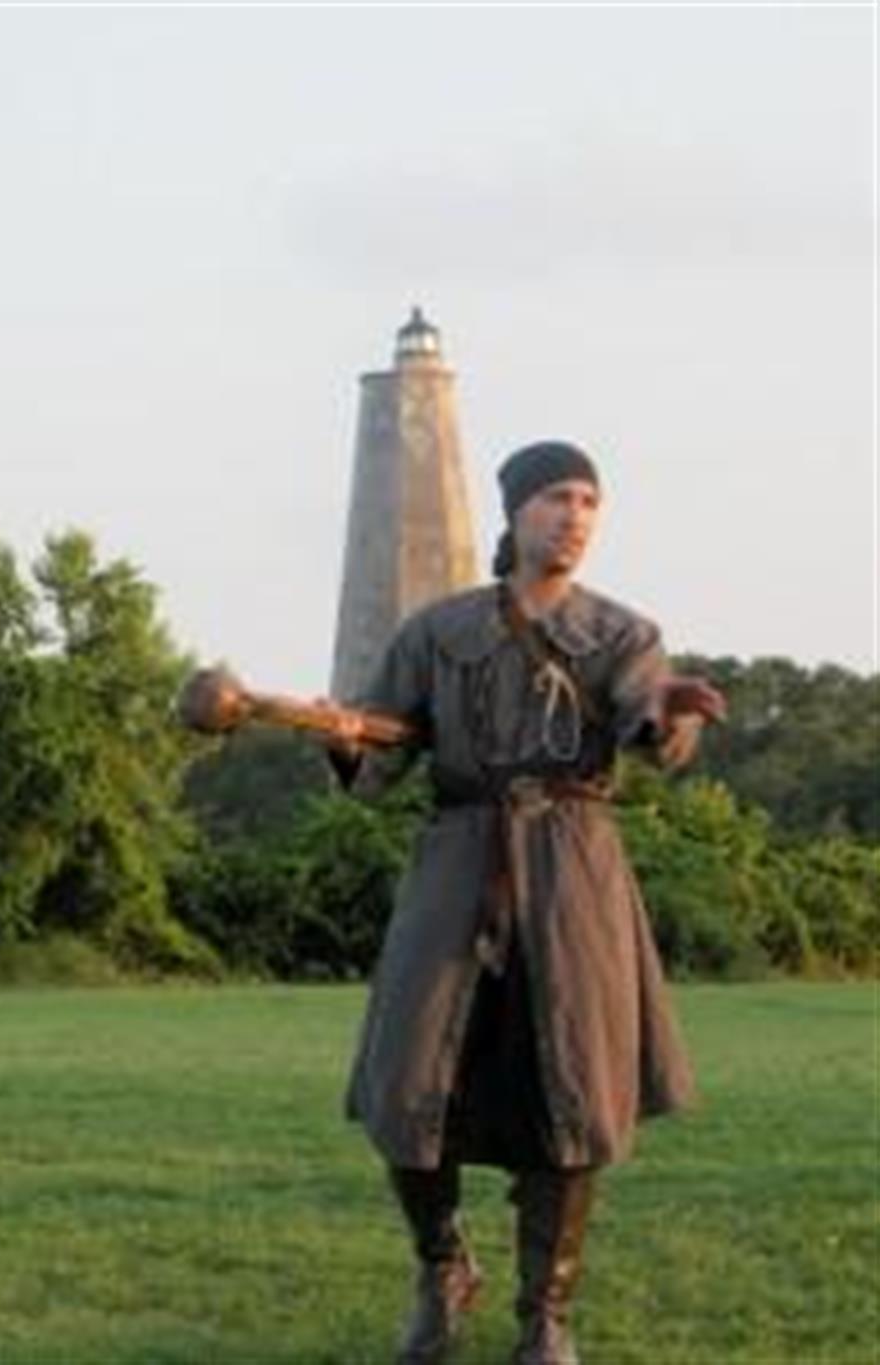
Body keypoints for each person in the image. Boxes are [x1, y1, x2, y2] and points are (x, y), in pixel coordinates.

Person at [319, 439, 727, 1365]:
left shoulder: (626, 634)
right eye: (555, 497)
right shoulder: (435, 631)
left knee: (573, 1085)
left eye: (589, 499)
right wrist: (346, 737)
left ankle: (546, 1313)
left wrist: (670, 710)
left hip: (574, 870)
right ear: (513, 512)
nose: (574, 515)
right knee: (407, 1077)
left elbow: (646, 717)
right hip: (458, 860)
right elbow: (381, 768)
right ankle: (442, 1269)